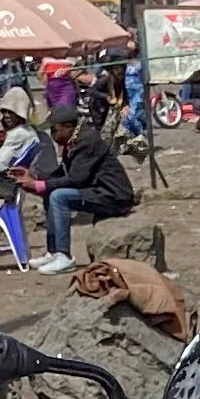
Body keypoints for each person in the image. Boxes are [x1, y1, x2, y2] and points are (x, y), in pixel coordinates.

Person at [23, 105, 136, 277]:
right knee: (50, 192)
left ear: (69, 127)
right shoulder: (74, 140)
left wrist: (39, 185)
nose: (53, 135)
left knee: (59, 197)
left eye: (55, 129)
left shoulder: (86, 141)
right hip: (98, 191)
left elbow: (77, 179)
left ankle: (64, 256)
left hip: (113, 196)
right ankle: (53, 251)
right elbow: (63, 173)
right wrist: (36, 178)